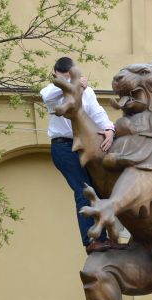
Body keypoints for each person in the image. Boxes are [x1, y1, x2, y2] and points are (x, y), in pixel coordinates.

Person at [40, 56, 116, 252]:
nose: (67, 80)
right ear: (55, 75)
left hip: (86, 147)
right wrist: (70, 84)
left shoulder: (87, 91)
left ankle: (104, 237)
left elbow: (98, 113)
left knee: (98, 191)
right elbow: (46, 96)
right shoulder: (53, 92)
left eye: (70, 76)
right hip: (64, 147)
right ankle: (91, 241)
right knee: (84, 190)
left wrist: (109, 129)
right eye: (63, 78)